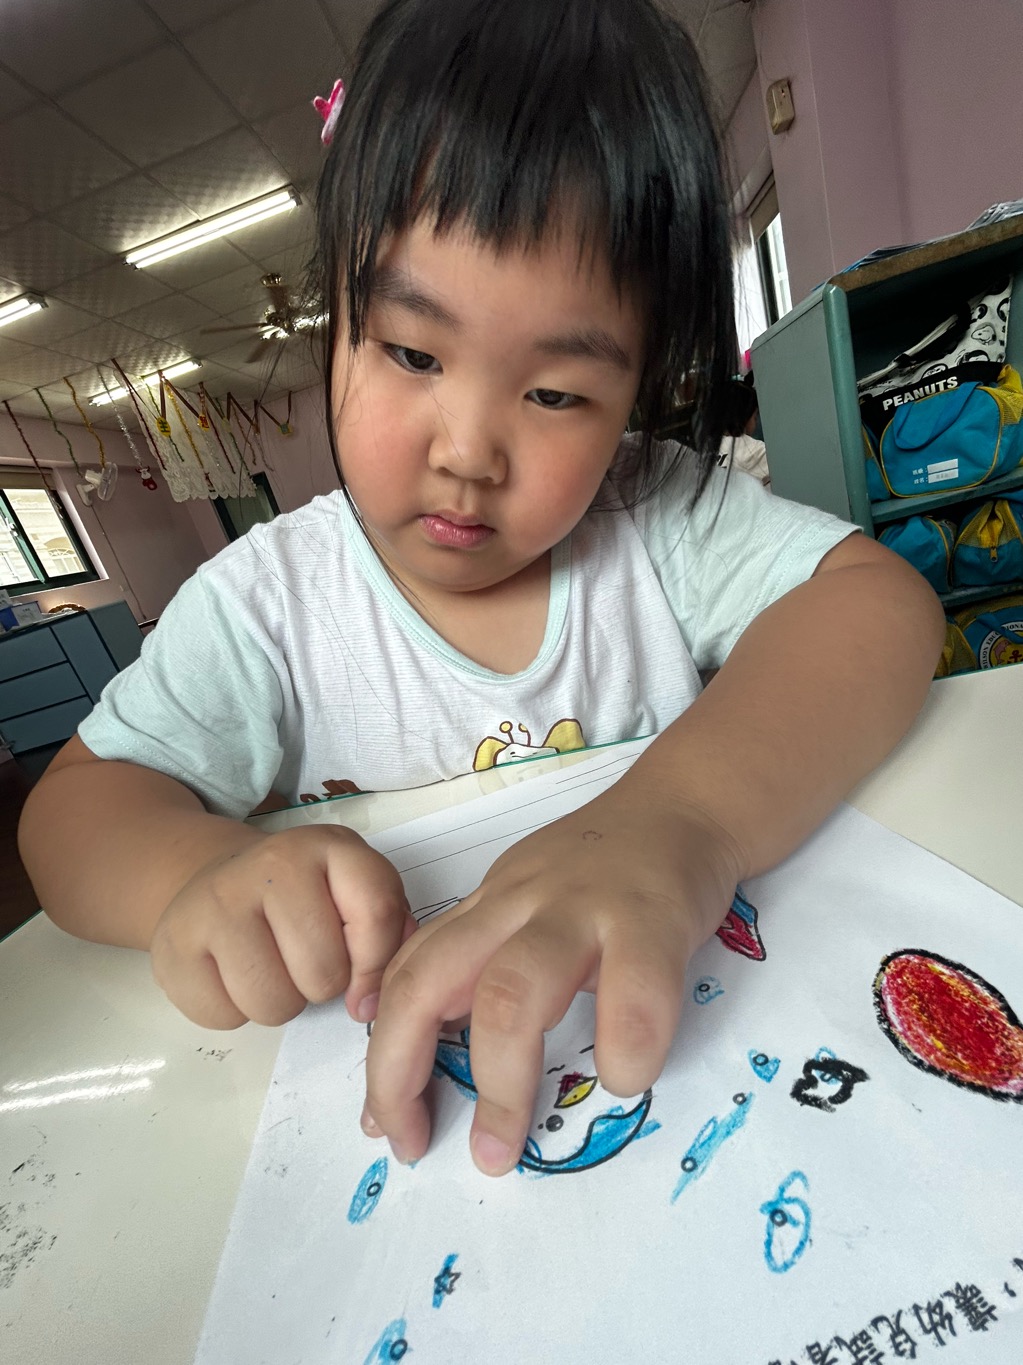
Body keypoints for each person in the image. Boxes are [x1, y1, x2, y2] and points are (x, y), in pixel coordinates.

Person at [19, 0, 944, 1179]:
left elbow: (877, 604)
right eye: (413, 353)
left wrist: (685, 821)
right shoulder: (266, 607)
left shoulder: (655, 518)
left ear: (640, 390)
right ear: (334, 318)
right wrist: (191, 875)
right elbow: (71, 813)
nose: (467, 452)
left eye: (555, 394)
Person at [717, 376, 771, 485]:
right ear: (745, 417)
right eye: (755, 417)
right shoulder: (756, 451)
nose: (756, 421)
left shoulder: (711, 447)